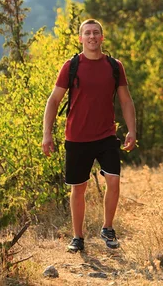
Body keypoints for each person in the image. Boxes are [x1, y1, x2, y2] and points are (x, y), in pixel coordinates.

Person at [42, 19, 137, 253]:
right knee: (79, 187)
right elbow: (53, 100)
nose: (92, 36)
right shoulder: (71, 66)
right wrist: (47, 134)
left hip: (106, 135)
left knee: (113, 179)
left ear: (102, 38)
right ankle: (78, 237)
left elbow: (125, 100)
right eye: (87, 33)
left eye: (96, 33)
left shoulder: (115, 66)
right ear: (80, 38)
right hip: (77, 136)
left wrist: (132, 131)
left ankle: (108, 227)